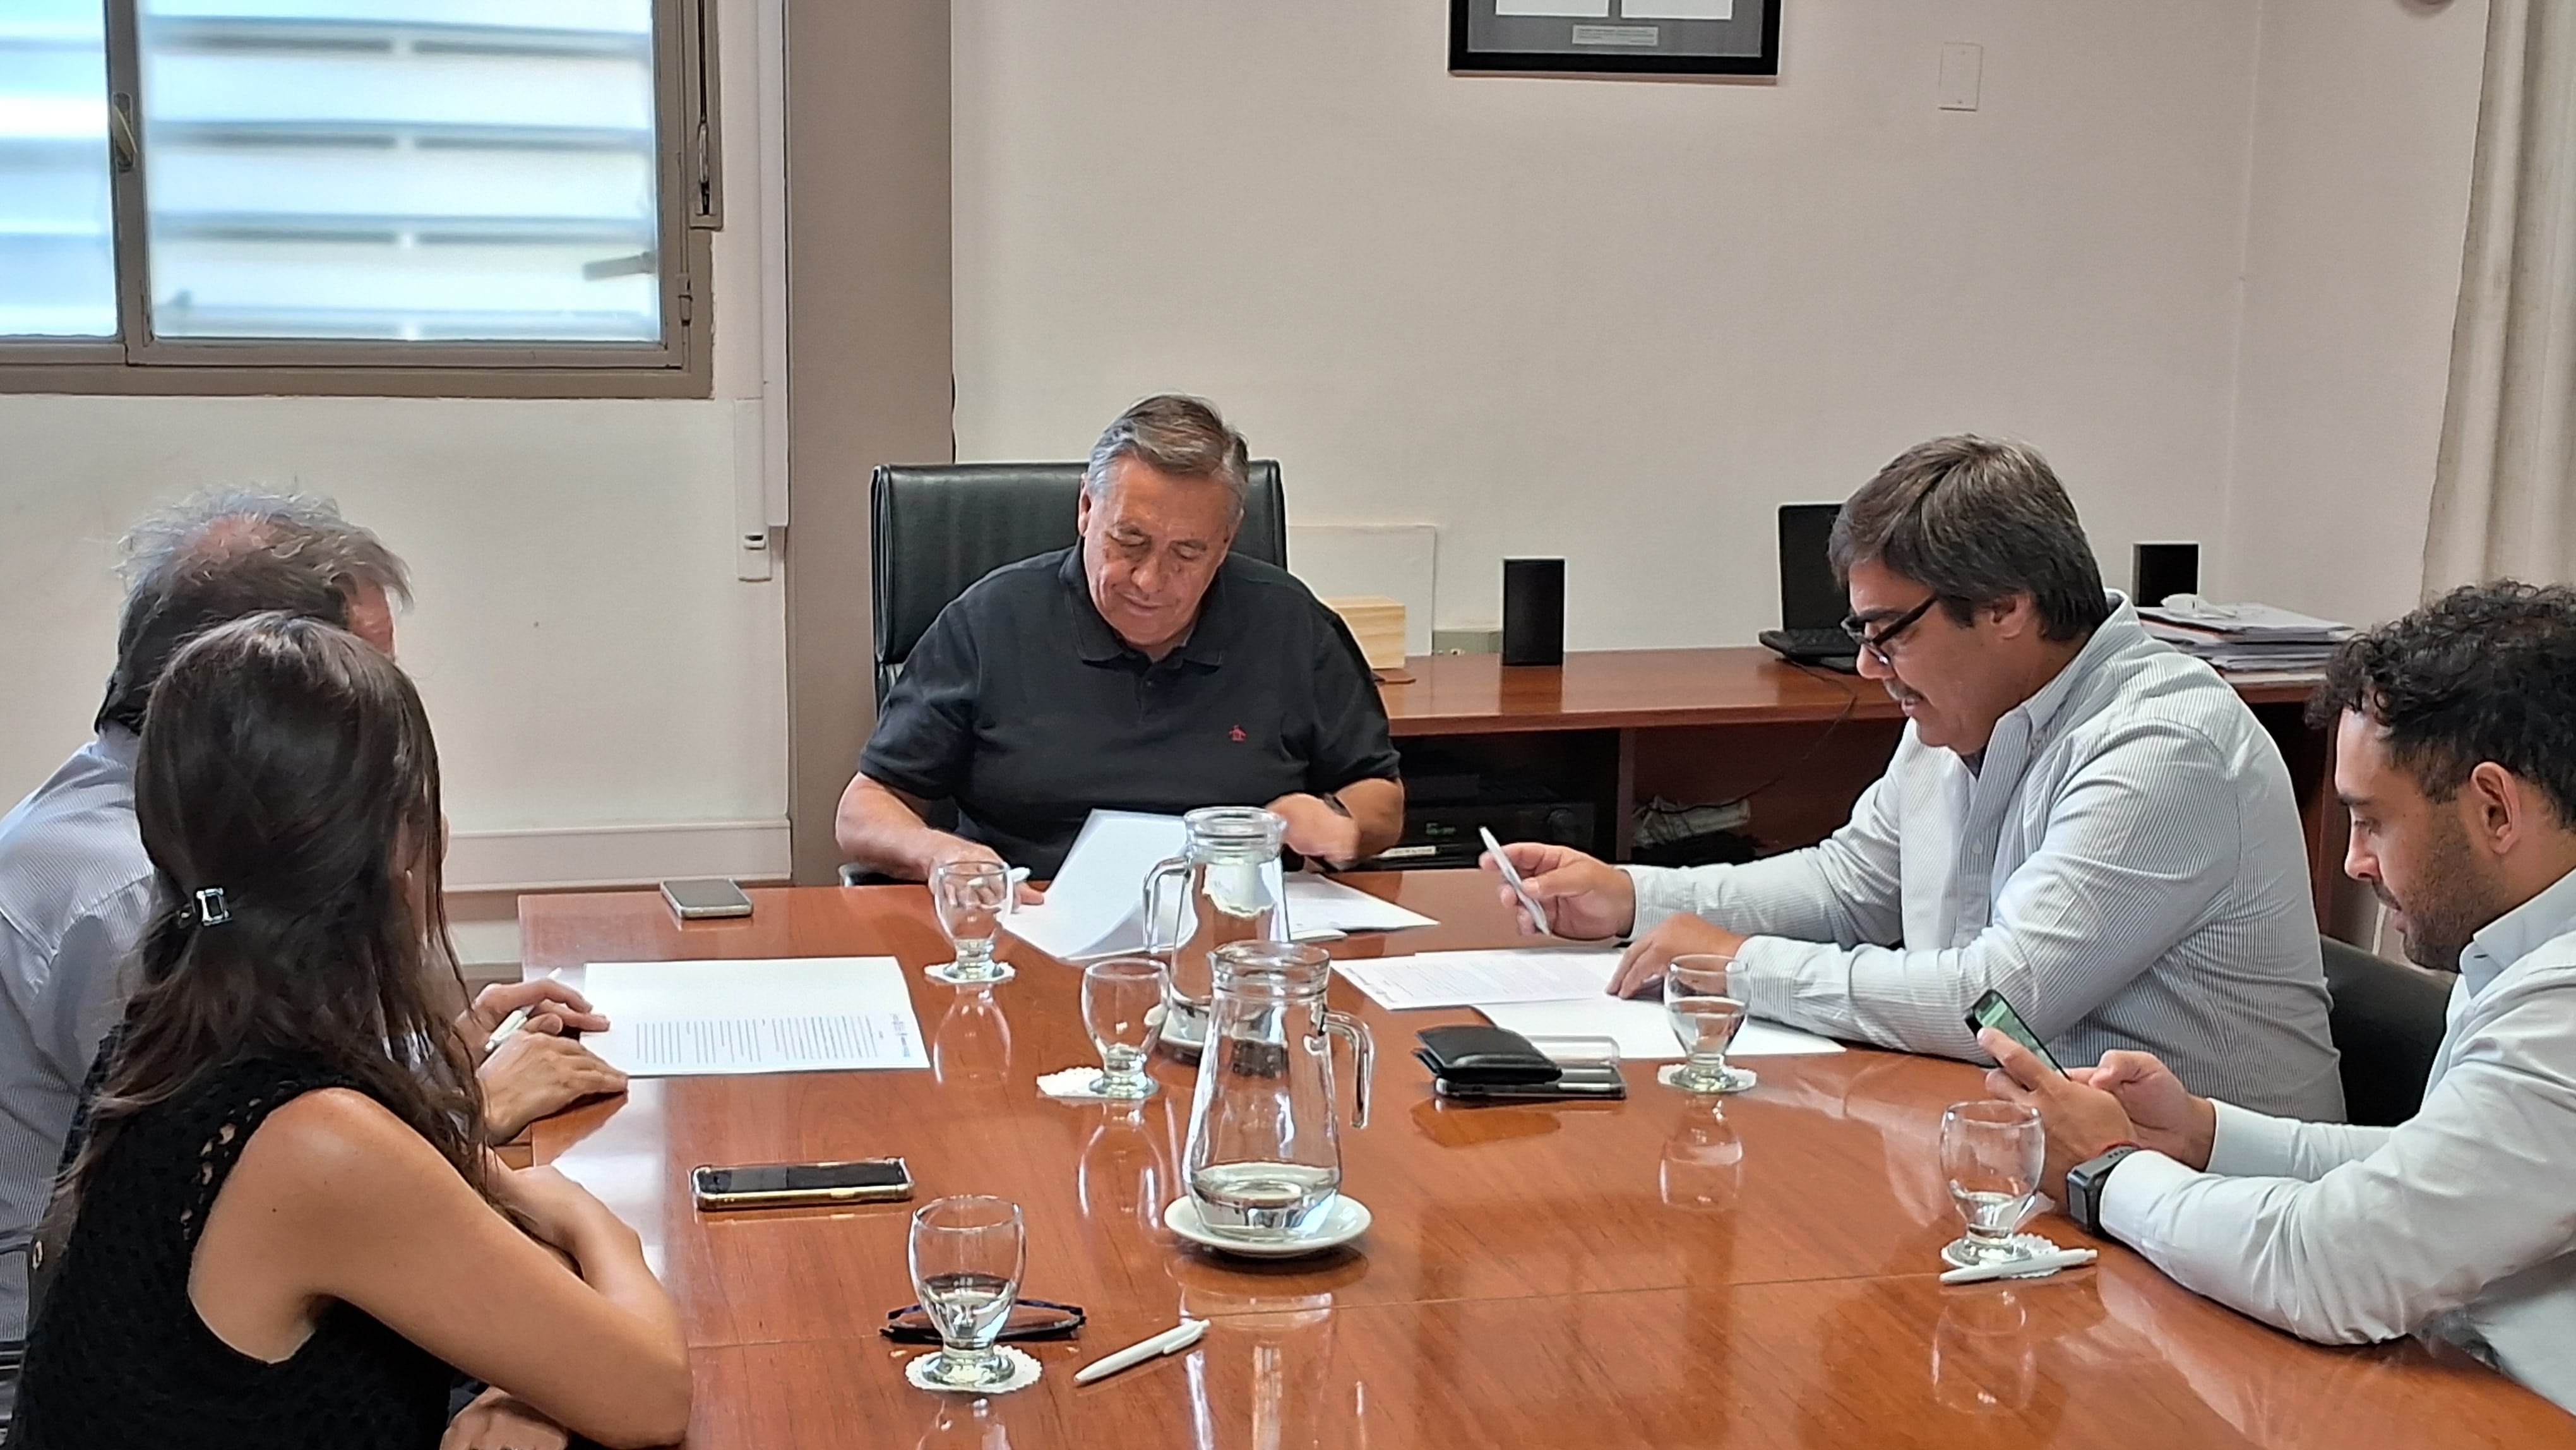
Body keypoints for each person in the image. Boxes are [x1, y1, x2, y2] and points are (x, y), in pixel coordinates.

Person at [1486, 436, 2342, 1118]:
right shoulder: (1962, 706)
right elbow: (1852, 885)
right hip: (2031, 1150)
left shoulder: (2163, 744)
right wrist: (1638, 900)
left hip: (2209, 1207)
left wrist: (1738, 966)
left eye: (1888, 632)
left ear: (2008, 606)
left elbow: (1996, 1000)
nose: (1867, 666)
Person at [6, 614, 691, 1448]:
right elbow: (653, 1396)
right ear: (400, 846)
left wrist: (515, 1390)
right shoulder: (312, 1142)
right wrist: (591, 1220)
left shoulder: (163, 1038)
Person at [1983, 580, 2576, 1415]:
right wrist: (2201, 1135)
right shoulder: (2524, 949)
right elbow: (2438, 1170)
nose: (2354, 864)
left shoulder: (2564, 1011)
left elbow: (2334, 1269)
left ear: (2494, 807)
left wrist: (2107, 1174)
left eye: (2373, 821)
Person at [837, 394, 1405, 882]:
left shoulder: (1290, 623)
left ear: (1227, 541)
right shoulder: (989, 622)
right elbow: (865, 808)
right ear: (1087, 508)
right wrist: (944, 856)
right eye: (1128, 541)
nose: (1150, 581)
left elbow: (1379, 795)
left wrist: (1335, 821)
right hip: (1034, 924)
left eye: (1188, 553)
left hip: (1233, 935)